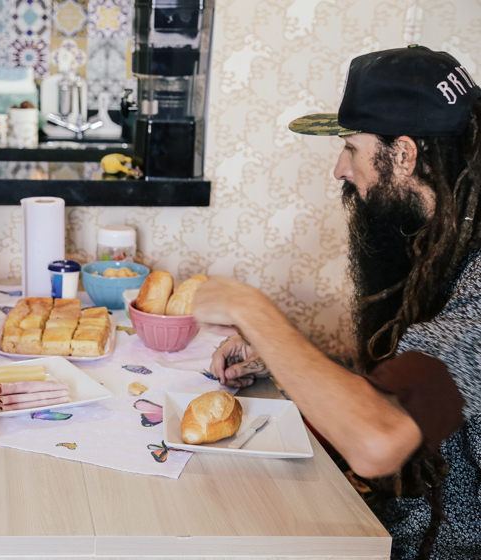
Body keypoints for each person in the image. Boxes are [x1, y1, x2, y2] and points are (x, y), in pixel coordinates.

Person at [194, 46, 481, 559]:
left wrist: (250, 308)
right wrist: (283, 358)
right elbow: (415, 388)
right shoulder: (446, 238)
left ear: (404, 154)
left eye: (351, 147)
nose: (339, 168)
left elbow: (379, 437)